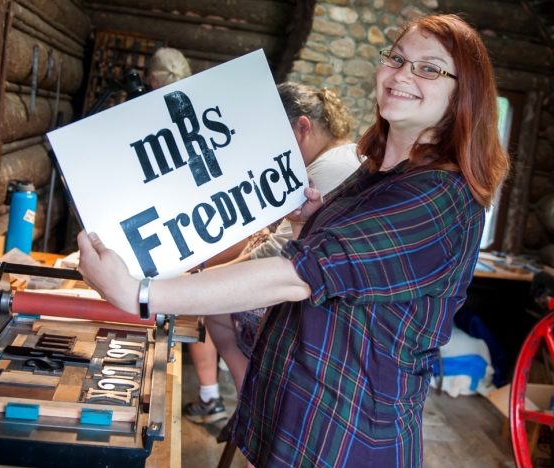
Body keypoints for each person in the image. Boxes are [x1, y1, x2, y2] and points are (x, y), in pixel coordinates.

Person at [78, 14, 509, 467]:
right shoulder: (374, 173)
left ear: (464, 94)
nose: (403, 74)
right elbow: (339, 276)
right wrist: (307, 226)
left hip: (348, 433)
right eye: (397, 58)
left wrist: (139, 293)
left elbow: (296, 276)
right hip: (302, 409)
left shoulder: (438, 195)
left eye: (429, 68)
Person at [206, 82, 362, 399]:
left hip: (323, 310)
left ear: (302, 127)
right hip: (320, 294)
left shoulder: (332, 167)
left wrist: (205, 279)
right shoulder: (337, 158)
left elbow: (275, 250)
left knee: (216, 308)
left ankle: (248, 402)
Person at [147, 46, 227, 423]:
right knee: (199, 308)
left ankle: (153, 394)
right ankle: (210, 395)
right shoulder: (199, 105)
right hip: (204, 220)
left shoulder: (146, 113)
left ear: (152, 79)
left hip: (170, 222)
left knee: (168, 303)